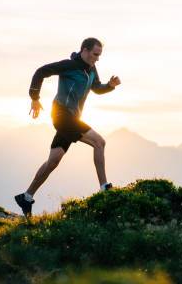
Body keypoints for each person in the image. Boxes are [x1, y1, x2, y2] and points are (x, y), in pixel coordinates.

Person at [14, 37, 121, 217]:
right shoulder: (69, 65)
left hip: (73, 117)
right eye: (95, 54)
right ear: (84, 51)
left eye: (99, 55)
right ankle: (105, 189)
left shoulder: (92, 69)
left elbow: (96, 88)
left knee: (53, 161)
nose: (97, 58)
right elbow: (41, 72)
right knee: (99, 142)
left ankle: (26, 196)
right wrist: (35, 98)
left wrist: (110, 86)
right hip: (62, 115)